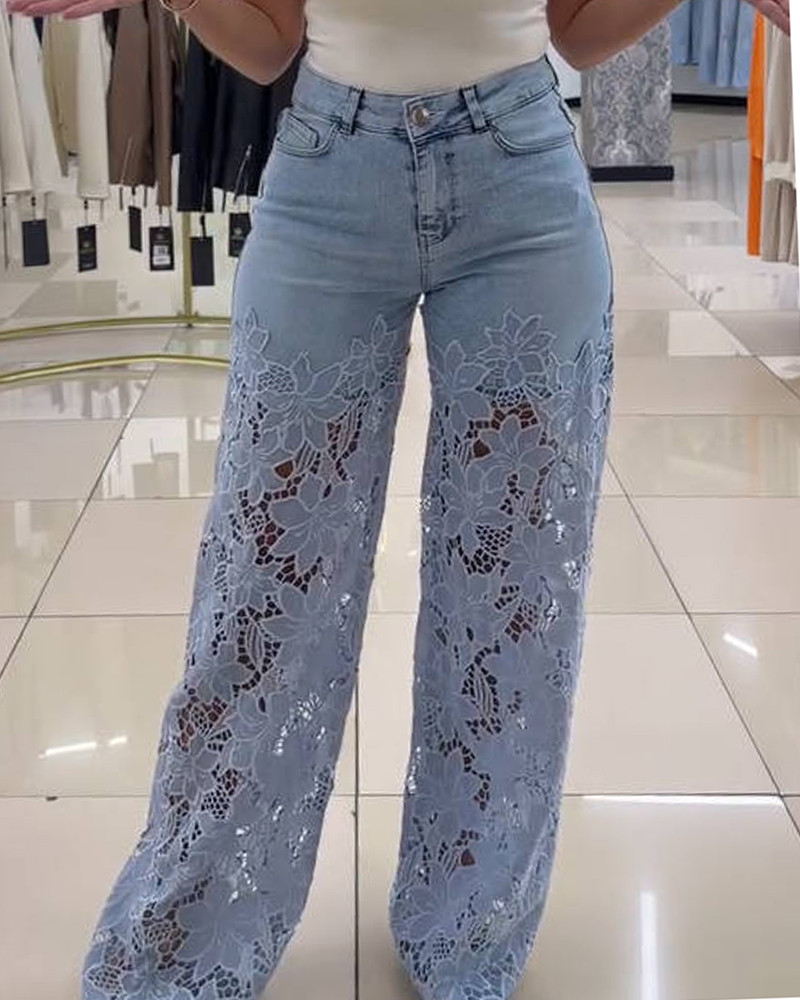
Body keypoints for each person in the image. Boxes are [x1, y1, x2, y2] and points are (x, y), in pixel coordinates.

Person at [8, 0, 792, 998]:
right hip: (328, 172)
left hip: (521, 180)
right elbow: (270, 43)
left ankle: (467, 935)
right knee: (261, 598)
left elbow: (574, 29)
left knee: (512, 607)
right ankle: (183, 948)